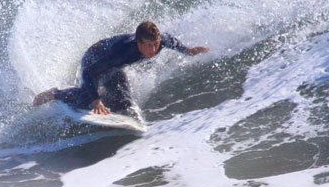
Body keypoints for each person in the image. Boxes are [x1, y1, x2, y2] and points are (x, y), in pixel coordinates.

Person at [32, 20, 209, 115]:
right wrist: (96, 101)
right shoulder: (121, 51)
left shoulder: (159, 41)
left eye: (155, 44)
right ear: (138, 42)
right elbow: (88, 73)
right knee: (85, 98)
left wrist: (188, 50)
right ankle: (54, 93)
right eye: (148, 45)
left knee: (124, 102)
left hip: (114, 68)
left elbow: (170, 39)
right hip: (95, 59)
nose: (153, 49)